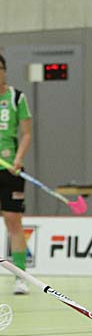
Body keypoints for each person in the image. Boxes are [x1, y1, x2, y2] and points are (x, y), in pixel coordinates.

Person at [0, 54, 33, 295]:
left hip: (11, 169)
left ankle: (20, 277)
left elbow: (27, 133)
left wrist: (18, 159)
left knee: (13, 220)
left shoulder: (17, 97)